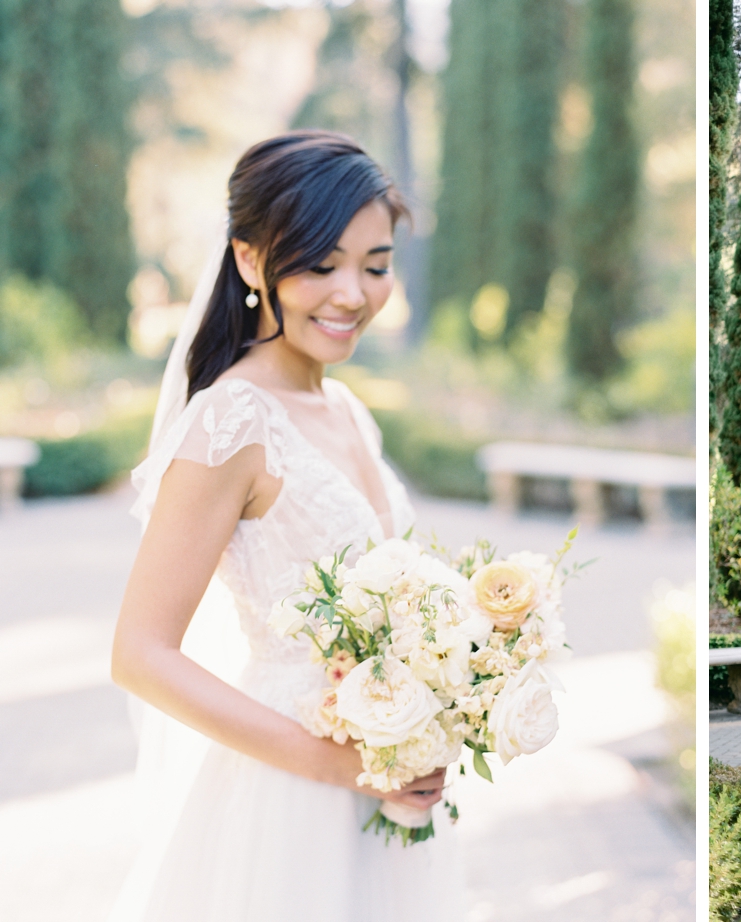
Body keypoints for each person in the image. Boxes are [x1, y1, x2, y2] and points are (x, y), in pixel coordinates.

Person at [108, 132, 462, 921]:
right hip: (286, 801)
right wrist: (341, 767)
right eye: (319, 263)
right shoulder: (229, 423)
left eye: (375, 266)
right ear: (248, 261)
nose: (352, 294)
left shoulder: (346, 411)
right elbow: (138, 655)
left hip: (384, 794)